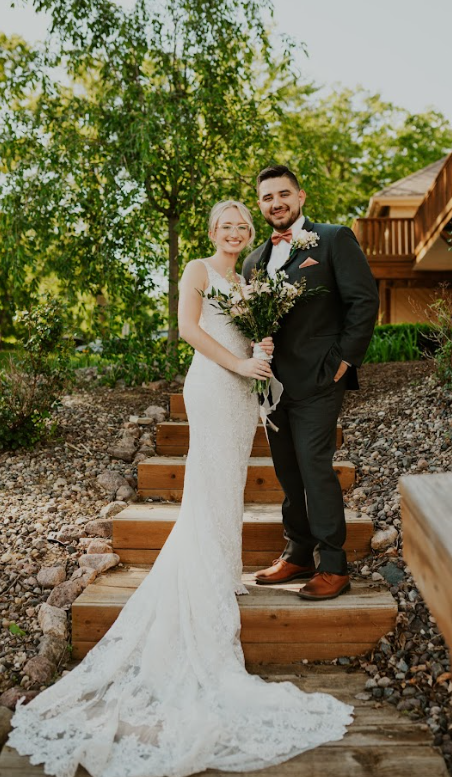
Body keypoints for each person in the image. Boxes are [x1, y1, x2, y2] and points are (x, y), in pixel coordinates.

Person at [6, 199, 354, 777]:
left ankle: (219, 573)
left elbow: (248, 337)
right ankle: (204, 582)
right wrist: (239, 366)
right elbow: (190, 330)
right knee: (210, 482)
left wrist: (258, 353)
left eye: (243, 225)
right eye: (227, 225)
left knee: (226, 489)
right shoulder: (198, 269)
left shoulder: (250, 278)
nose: (237, 231)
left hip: (243, 390)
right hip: (214, 386)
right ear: (213, 230)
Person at [243, 166, 379, 601]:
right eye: (267, 197)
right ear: (260, 204)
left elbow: (363, 299)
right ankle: (298, 551)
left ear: (300, 196)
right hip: (272, 384)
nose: (276, 203)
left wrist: (344, 361)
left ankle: (334, 564)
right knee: (286, 469)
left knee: (314, 466)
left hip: (320, 378)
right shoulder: (253, 261)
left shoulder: (333, 238)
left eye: (283, 194)